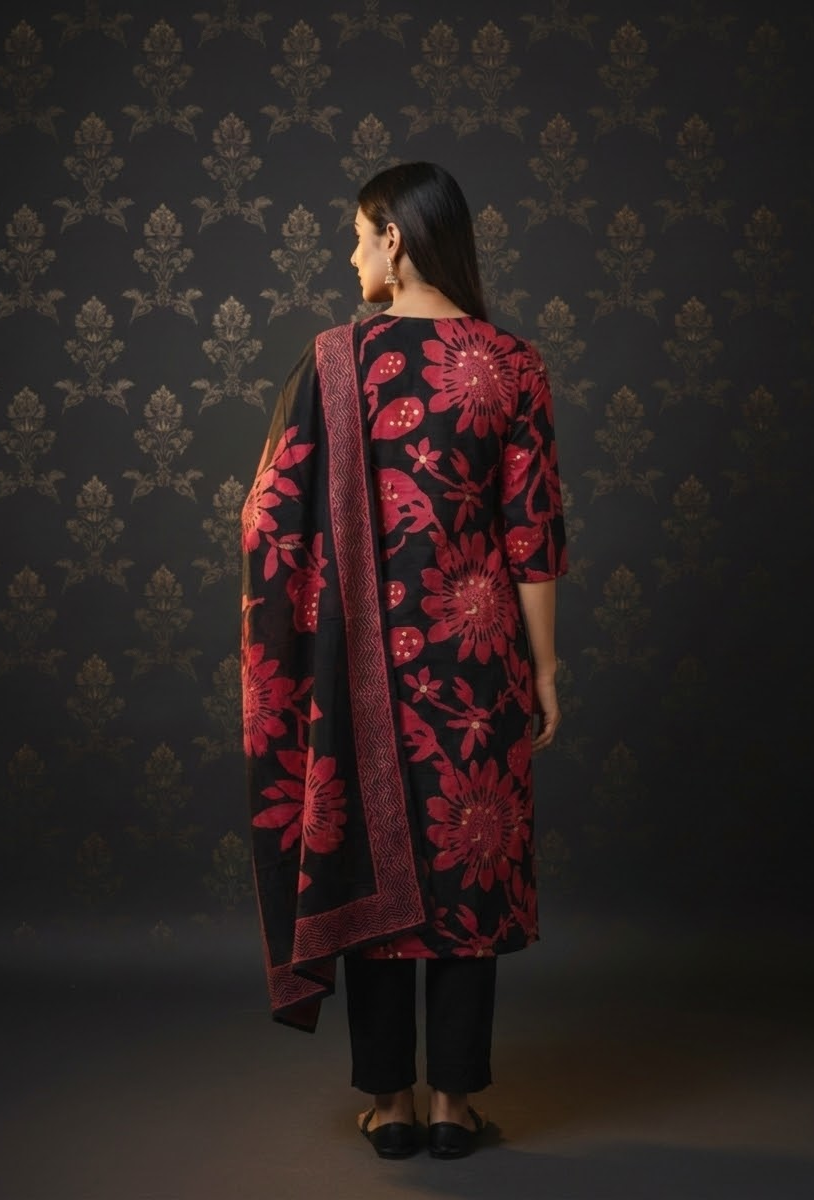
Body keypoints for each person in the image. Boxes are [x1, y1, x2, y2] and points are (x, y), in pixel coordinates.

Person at [241, 162, 567, 1160]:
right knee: (467, 864)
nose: (350, 256)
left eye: (356, 235)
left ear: (394, 237)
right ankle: (453, 1106)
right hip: (478, 664)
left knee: (370, 859)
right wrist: (544, 670)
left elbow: (269, 519)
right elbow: (531, 537)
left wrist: (293, 615)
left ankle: (388, 1103)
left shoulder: (335, 361)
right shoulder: (513, 364)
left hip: (359, 666)